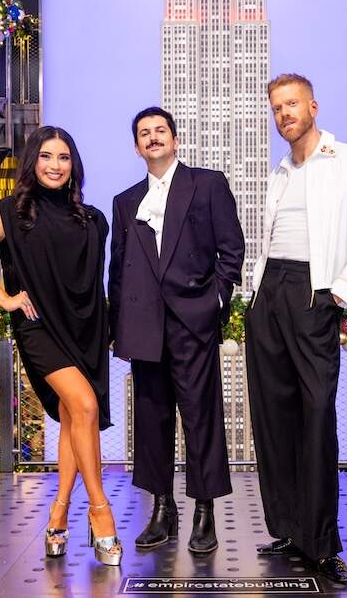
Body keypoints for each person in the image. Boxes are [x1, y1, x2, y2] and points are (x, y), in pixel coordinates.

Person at [0, 125, 122, 566]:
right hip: (38, 327)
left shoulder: (94, 219)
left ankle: (58, 514)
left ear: (74, 165)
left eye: (64, 157)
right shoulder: (11, 212)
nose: (55, 165)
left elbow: (93, 280)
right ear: (33, 162)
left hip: (85, 329)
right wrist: (4, 298)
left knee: (74, 418)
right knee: (84, 405)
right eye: (46, 156)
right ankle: (101, 511)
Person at [246, 73, 347, 585]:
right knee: (273, 417)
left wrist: (336, 295)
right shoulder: (281, 170)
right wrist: (257, 296)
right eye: (277, 108)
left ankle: (321, 541)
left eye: (292, 104)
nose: (284, 114)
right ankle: (287, 528)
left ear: (313, 107)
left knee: (317, 415)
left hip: (313, 291)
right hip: (270, 292)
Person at [109, 107, 244, 554]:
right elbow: (117, 269)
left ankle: (205, 511)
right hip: (143, 325)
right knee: (151, 421)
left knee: (201, 418)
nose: (153, 137)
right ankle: (162, 509)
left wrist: (215, 300)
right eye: (144, 133)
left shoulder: (207, 184)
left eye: (160, 131)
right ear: (136, 147)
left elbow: (232, 249)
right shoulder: (126, 201)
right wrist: (118, 327)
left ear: (175, 139)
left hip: (192, 322)